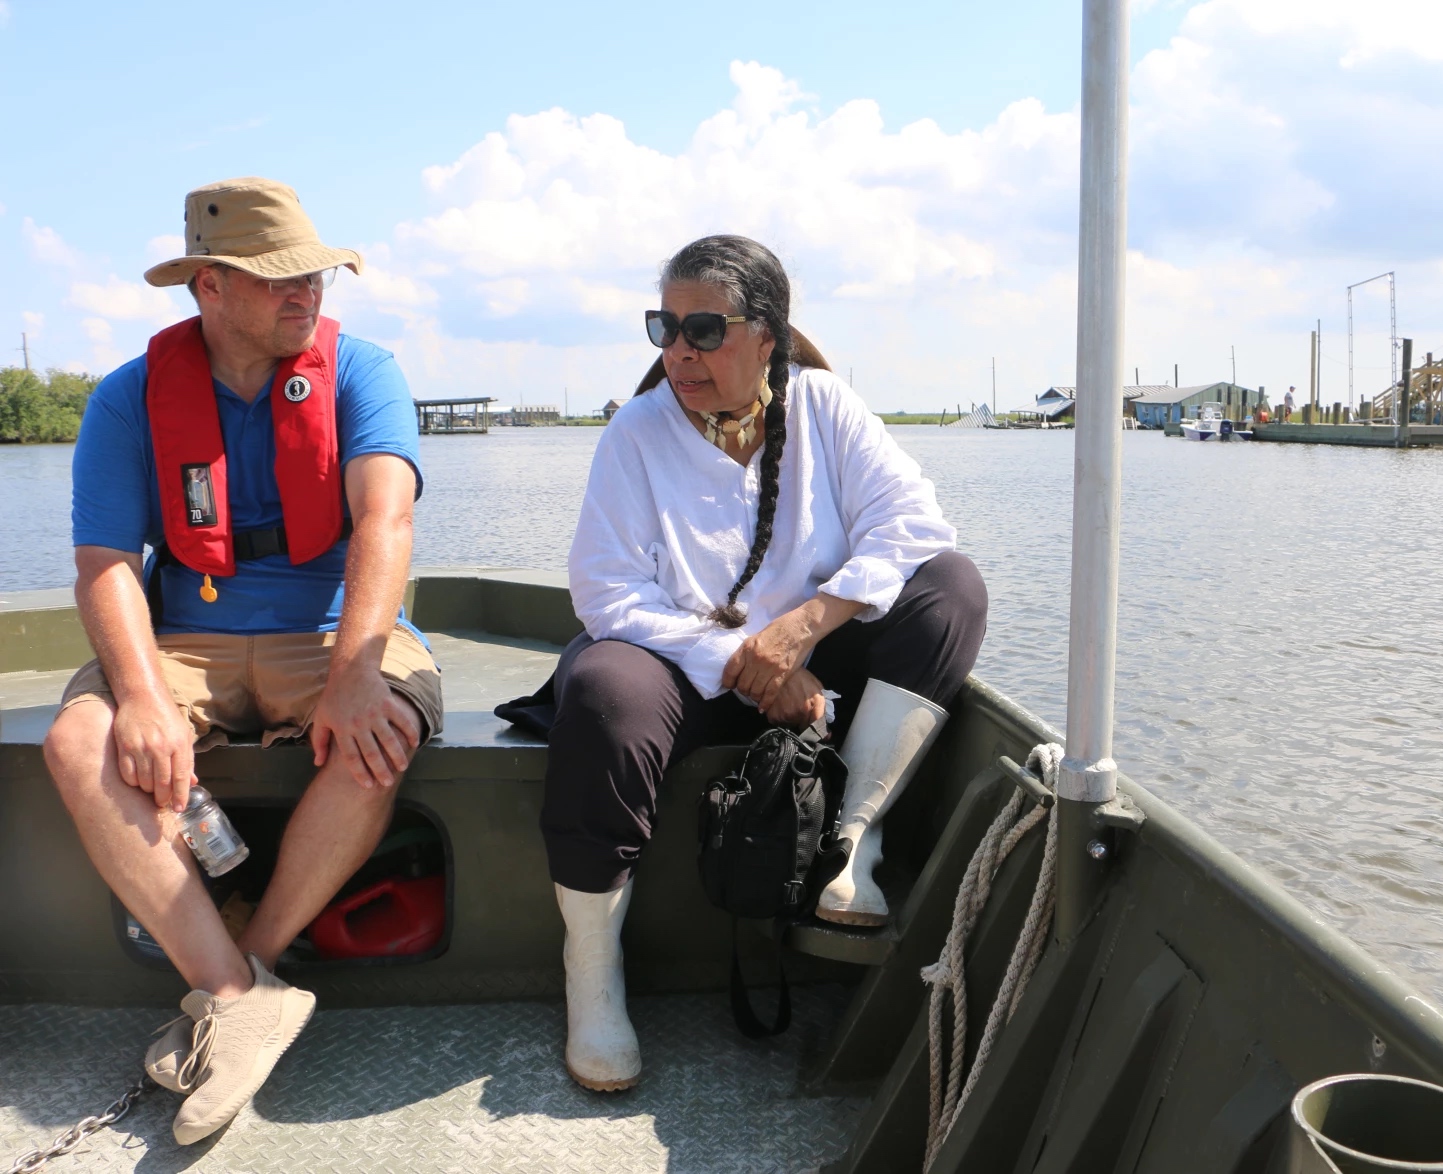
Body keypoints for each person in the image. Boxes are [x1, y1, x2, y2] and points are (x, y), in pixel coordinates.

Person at [41, 177, 441, 1145]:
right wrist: (137, 695)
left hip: (332, 631)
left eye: (313, 273)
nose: (306, 291)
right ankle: (234, 989)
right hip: (191, 639)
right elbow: (105, 564)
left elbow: (385, 517)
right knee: (78, 738)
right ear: (208, 289)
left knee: (379, 729)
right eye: (277, 279)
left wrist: (354, 672)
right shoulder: (130, 398)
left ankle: (241, 980)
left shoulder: (364, 372)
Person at [544, 235, 987, 1091]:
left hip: (813, 666)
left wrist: (804, 631)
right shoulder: (635, 433)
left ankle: (851, 848)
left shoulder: (826, 407)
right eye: (664, 327)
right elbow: (606, 593)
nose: (679, 351)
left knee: (951, 590)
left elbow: (916, 527)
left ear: (767, 336)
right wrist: (747, 660)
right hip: (686, 671)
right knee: (603, 692)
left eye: (704, 329)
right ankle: (592, 975)